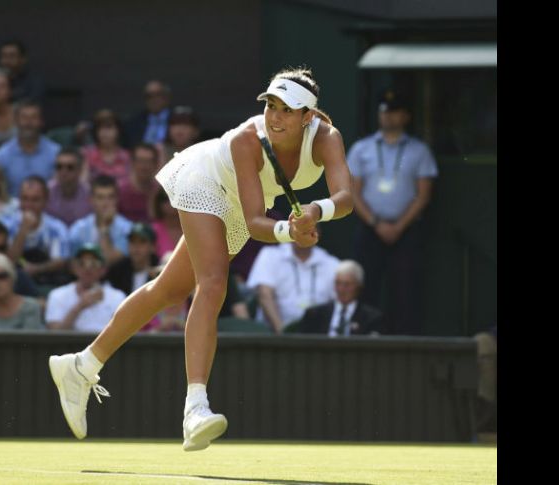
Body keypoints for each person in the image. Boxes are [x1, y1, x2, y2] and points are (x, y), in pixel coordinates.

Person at [48, 67, 353, 451]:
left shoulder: (327, 138)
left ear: (307, 116)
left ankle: (81, 365)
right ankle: (195, 409)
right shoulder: (248, 139)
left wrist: (316, 210)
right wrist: (288, 231)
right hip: (205, 179)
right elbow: (258, 222)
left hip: (240, 203)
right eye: (271, 106)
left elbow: (346, 198)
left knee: (169, 289)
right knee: (212, 282)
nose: (275, 117)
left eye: (287, 110)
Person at [347, 88, 438, 335]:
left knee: (406, 289)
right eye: (384, 111)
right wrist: (376, 223)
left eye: (394, 112)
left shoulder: (419, 151)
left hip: (406, 230)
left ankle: (405, 341)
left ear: (406, 116)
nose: (388, 116)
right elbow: (353, 192)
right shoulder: (361, 149)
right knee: (366, 285)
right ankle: (366, 336)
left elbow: (423, 194)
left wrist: (398, 226)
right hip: (370, 228)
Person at [289, 259, 383, 336]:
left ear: (359, 287)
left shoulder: (371, 318)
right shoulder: (314, 315)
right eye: (338, 283)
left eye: (347, 284)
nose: (341, 289)